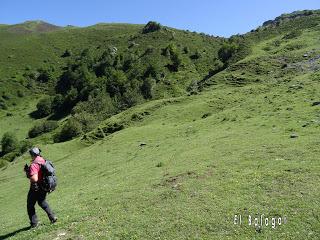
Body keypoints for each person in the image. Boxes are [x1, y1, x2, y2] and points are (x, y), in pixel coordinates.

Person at [25, 147, 57, 228]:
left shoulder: (34, 164)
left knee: (30, 205)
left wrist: (28, 173)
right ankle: (52, 217)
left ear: (32, 154)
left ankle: (34, 223)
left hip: (36, 188)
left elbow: (35, 178)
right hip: (44, 185)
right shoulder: (43, 160)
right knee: (42, 202)